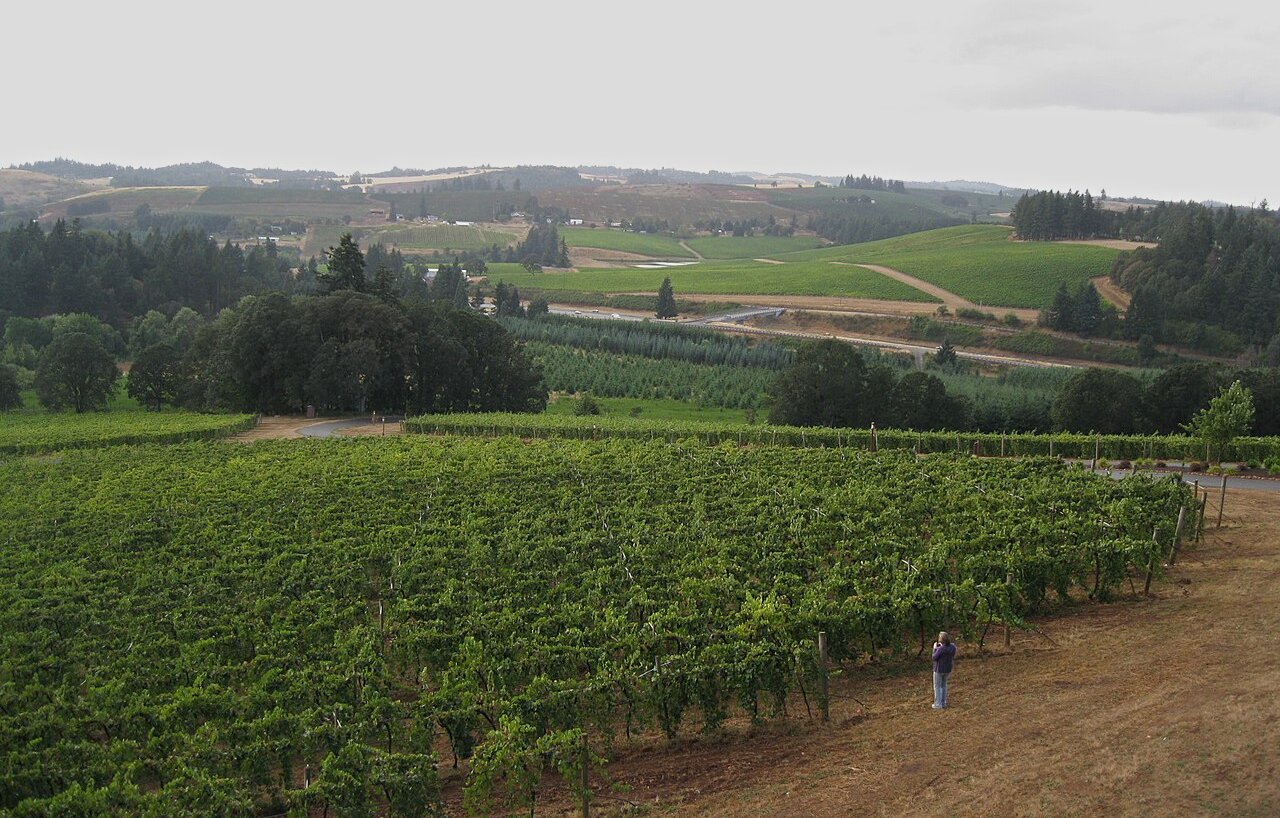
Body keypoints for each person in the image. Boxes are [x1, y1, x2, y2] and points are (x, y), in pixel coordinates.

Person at [931, 631, 957, 709]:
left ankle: (938, 704)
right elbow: (952, 653)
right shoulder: (952, 646)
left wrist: (935, 648)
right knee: (944, 685)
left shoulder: (940, 649)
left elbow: (934, 657)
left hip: (939, 669)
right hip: (948, 668)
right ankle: (943, 702)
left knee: (937, 686)